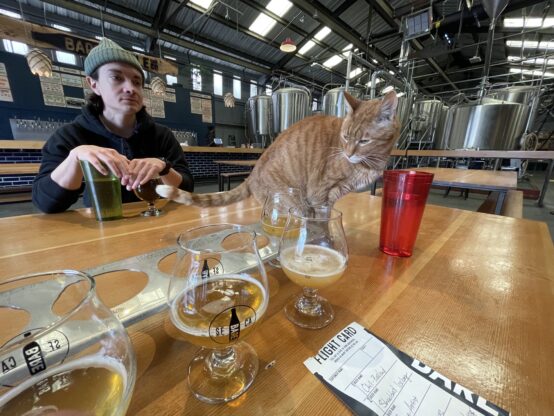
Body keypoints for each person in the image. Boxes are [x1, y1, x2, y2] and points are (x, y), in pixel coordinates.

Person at [32, 38, 194, 213]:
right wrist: (75, 158)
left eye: (137, 82)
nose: (130, 88)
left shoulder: (161, 135)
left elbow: (186, 190)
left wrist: (164, 167)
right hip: (103, 221)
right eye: (116, 78)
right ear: (94, 84)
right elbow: (45, 203)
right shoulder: (71, 135)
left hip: (156, 221)